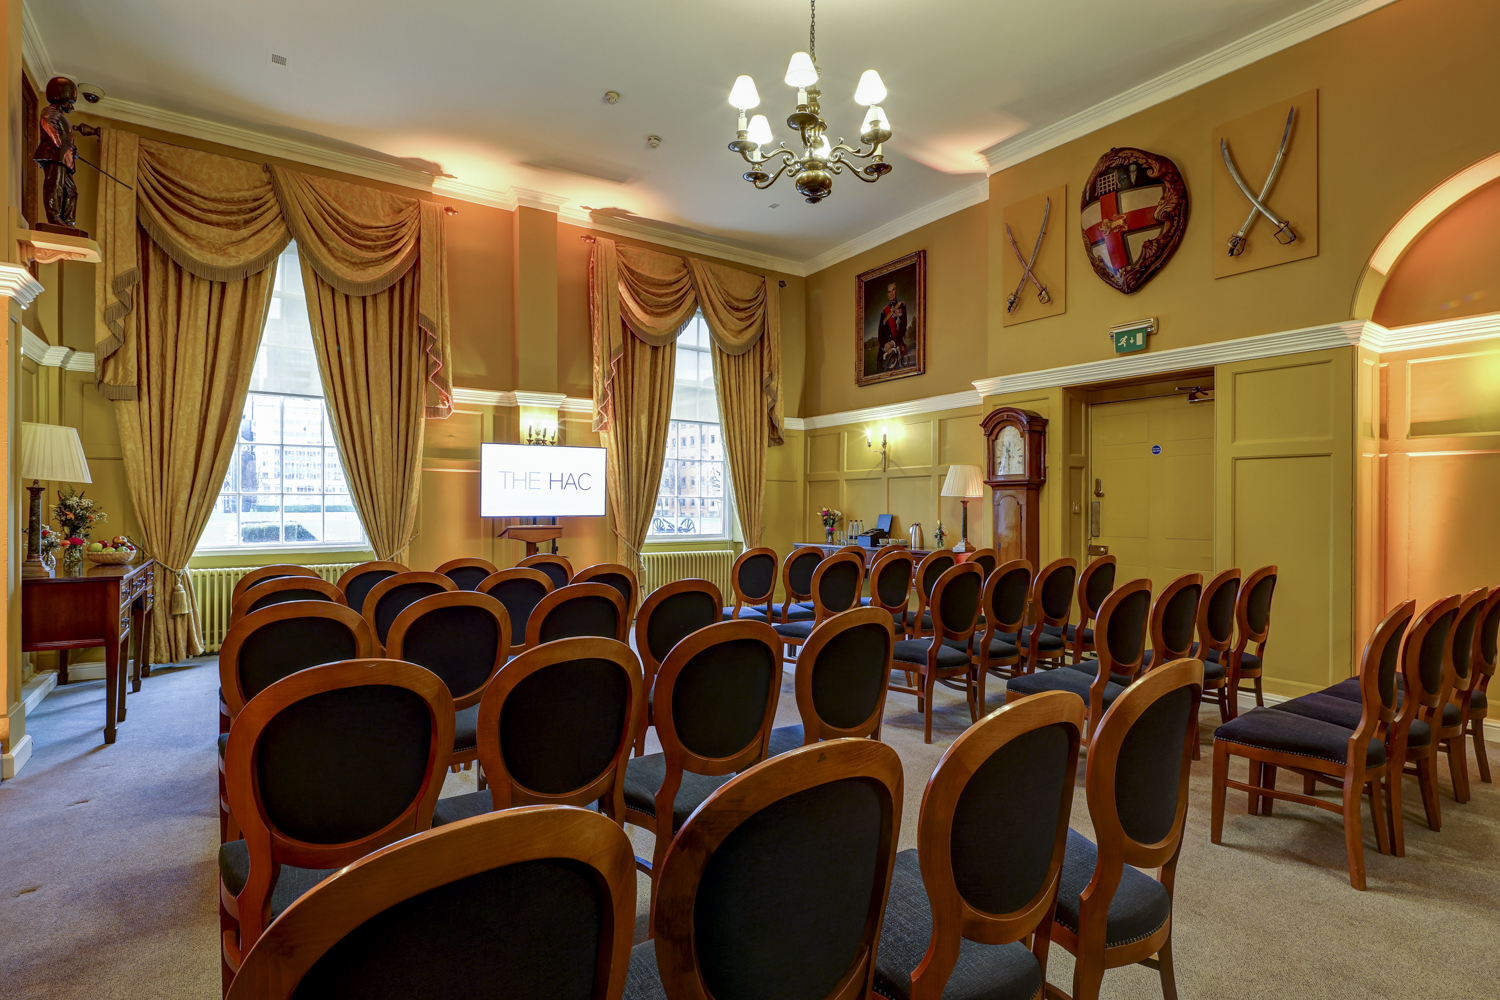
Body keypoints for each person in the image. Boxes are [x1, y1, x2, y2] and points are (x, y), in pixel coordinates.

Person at [33, 77, 100, 231]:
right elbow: (46, 122)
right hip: (55, 156)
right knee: (54, 187)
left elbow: (64, 137)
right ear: (62, 99)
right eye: (70, 102)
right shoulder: (51, 112)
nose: (71, 107)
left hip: (64, 158)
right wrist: (58, 144)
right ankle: (54, 217)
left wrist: (71, 151)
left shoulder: (60, 116)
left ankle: (68, 222)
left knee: (71, 191)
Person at [877, 281, 908, 370]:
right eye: (889, 291)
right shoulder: (884, 311)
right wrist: (885, 347)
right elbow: (880, 332)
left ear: (896, 291)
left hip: (896, 343)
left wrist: (893, 343)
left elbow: (903, 328)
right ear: (887, 294)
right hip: (885, 348)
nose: (891, 293)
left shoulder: (902, 306)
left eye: (893, 290)